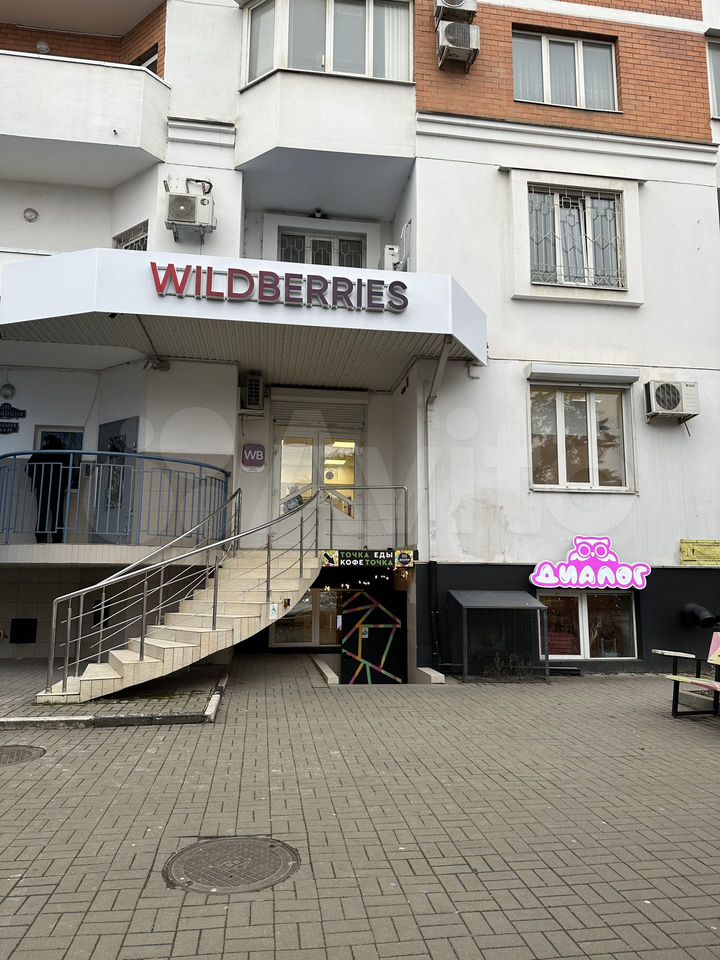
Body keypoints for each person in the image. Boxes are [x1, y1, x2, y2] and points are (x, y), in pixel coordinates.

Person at [25, 436, 73, 544]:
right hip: (58, 489)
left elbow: (28, 469)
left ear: (47, 441)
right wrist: (64, 483)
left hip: (43, 489)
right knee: (57, 516)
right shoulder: (64, 453)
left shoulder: (41, 452)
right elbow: (72, 472)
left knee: (42, 516)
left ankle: (41, 541)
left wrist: (38, 479)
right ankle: (57, 541)